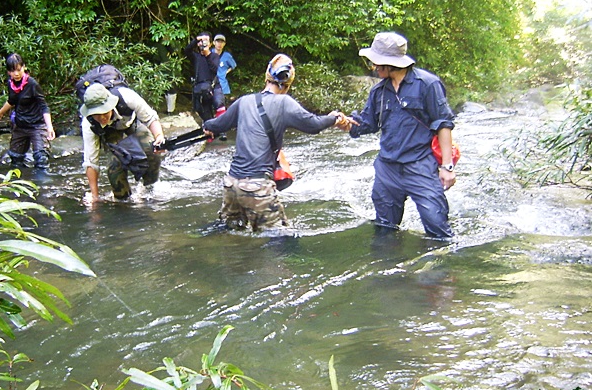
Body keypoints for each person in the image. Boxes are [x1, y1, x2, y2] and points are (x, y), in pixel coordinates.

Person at [202, 54, 353, 232]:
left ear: (267, 76)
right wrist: (334, 118)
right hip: (257, 188)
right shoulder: (284, 103)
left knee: (231, 235)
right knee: (279, 240)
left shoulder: (244, 101)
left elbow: (217, 125)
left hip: (231, 185)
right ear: (288, 83)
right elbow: (313, 125)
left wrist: (207, 126)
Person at [349, 32, 456, 239]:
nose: (373, 67)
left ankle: (443, 270)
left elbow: (443, 124)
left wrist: (447, 167)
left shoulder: (428, 84)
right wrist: (346, 124)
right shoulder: (378, 91)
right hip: (387, 168)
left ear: (390, 63)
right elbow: (367, 124)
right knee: (385, 229)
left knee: (439, 231)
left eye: (376, 62)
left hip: (420, 166)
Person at [80, 83, 166, 202]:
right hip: (109, 134)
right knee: (114, 168)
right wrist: (95, 196)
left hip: (132, 124)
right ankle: (123, 201)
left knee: (152, 150)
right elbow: (91, 161)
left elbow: (150, 118)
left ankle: (149, 188)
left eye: (104, 112)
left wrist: (159, 137)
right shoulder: (88, 124)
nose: (102, 118)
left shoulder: (127, 97)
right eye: (96, 115)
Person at [0, 53, 55, 169]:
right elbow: (12, 100)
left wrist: (49, 127)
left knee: (41, 159)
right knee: (16, 159)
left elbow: (44, 106)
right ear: (8, 72)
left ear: (24, 67)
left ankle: (42, 184)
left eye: (18, 69)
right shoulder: (10, 83)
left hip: (36, 126)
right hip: (20, 125)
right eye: (12, 71)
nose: (16, 74)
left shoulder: (32, 84)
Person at [184, 32, 225, 122]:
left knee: (219, 106)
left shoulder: (214, 56)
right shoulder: (196, 56)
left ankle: (222, 130)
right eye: (202, 42)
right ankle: (211, 132)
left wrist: (207, 54)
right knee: (204, 112)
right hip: (201, 88)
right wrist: (197, 39)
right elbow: (186, 51)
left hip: (214, 86)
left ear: (210, 44)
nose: (203, 43)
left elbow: (215, 69)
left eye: (206, 41)